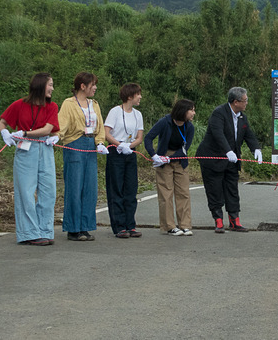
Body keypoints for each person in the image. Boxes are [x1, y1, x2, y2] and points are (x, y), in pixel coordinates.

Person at [0, 72, 60, 246]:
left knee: (48, 191)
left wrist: (26, 133)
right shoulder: (19, 104)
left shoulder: (52, 106)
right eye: (50, 84)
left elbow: (49, 129)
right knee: (25, 191)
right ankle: (29, 233)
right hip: (25, 150)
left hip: (44, 148)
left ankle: (45, 230)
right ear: (40, 85)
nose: (52, 88)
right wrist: (5, 133)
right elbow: (2, 122)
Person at [196, 87, 262, 233]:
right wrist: (228, 151)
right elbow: (218, 134)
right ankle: (218, 221)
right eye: (245, 101)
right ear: (235, 101)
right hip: (213, 159)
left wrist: (256, 149)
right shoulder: (219, 113)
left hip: (231, 161)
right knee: (215, 190)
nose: (246, 103)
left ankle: (234, 221)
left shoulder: (242, 117)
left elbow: (248, 134)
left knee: (232, 189)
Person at [57, 72, 108, 242]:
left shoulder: (95, 105)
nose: (95, 88)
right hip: (75, 144)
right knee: (74, 186)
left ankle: (85, 226)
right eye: (92, 84)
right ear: (82, 86)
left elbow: (100, 125)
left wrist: (100, 142)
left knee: (90, 188)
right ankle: (73, 228)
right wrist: (56, 137)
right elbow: (62, 125)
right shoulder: (68, 103)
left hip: (91, 144)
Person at [144, 99, 194, 236]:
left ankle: (185, 225)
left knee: (183, 192)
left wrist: (171, 158)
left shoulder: (190, 127)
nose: (193, 113)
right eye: (192, 110)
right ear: (183, 111)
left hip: (180, 159)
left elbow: (185, 148)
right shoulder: (165, 122)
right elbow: (148, 138)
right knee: (166, 193)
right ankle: (169, 226)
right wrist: (154, 155)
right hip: (163, 159)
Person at [104, 83, 145, 238]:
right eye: (138, 94)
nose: (140, 97)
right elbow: (106, 132)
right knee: (116, 188)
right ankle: (119, 225)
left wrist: (130, 145)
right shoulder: (115, 111)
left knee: (131, 188)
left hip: (130, 151)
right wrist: (119, 144)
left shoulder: (138, 114)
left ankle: (130, 224)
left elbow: (139, 137)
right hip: (116, 151)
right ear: (130, 96)